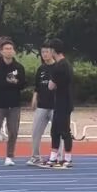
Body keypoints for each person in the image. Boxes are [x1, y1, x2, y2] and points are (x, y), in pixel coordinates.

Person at [41, 38, 75, 169]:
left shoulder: (59, 66)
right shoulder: (67, 64)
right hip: (64, 101)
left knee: (64, 130)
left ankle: (67, 159)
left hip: (62, 102)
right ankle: (54, 157)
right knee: (56, 129)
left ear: (53, 51)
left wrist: (52, 82)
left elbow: (51, 86)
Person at [27, 43, 56, 166]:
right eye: (42, 52)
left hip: (55, 106)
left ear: (52, 52)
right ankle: (35, 157)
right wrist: (34, 98)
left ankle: (57, 157)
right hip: (42, 105)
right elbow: (37, 86)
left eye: (47, 52)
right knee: (35, 132)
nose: (44, 54)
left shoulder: (58, 67)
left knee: (57, 133)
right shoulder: (41, 69)